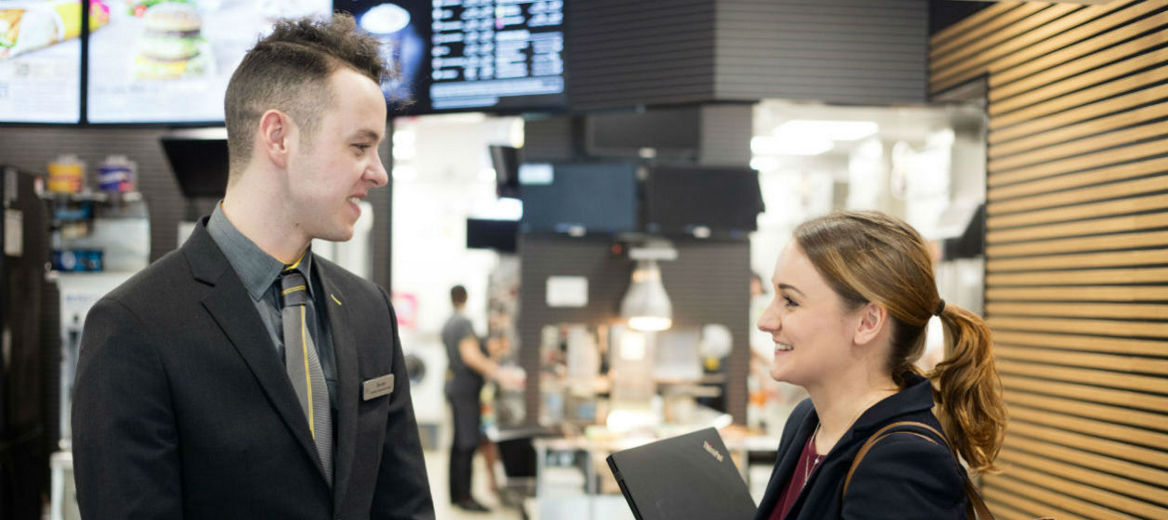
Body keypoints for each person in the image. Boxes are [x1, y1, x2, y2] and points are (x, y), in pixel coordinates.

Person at [71, 15, 434, 519]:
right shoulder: (134, 326)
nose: (379, 172)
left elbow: (405, 505)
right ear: (279, 137)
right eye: (360, 145)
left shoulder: (368, 310)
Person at [753, 210, 1006, 519]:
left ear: (867, 322)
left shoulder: (902, 464)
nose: (765, 321)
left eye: (790, 301)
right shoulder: (806, 421)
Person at [441, 285, 517, 512]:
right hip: (466, 389)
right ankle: (466, 497)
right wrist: (499, 374)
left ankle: (456, 495)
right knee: (467, 442)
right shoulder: (463, 323)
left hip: (455, 386)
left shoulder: (449, 322)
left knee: (458, 443)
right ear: (466, 297)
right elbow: (470, 356)